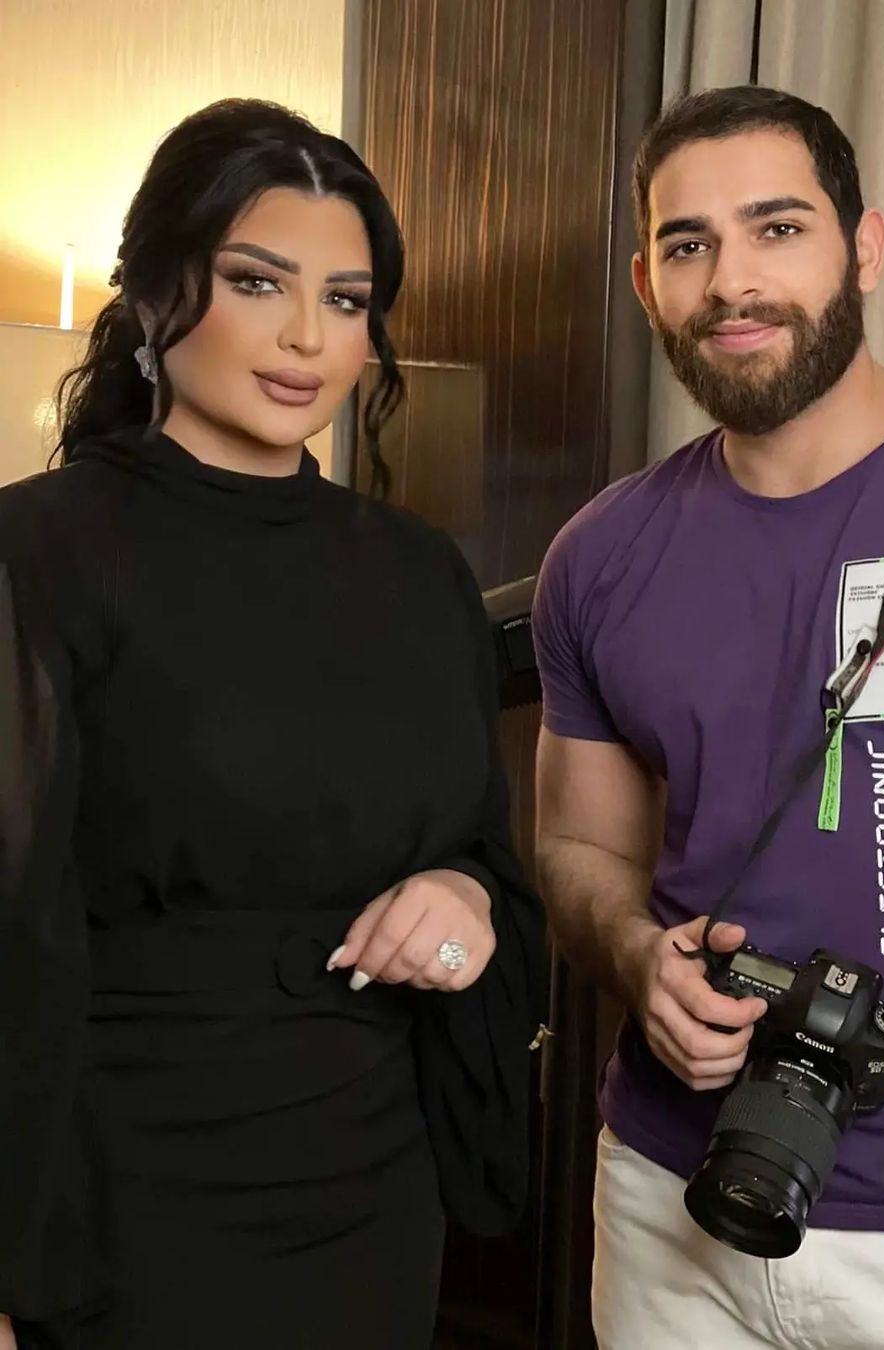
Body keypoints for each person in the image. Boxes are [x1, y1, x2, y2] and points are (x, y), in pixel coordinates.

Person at [533, 84, 884, 1350]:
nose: (733, 280)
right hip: (669, 1195)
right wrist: (635, 957)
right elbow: (579, 847)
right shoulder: (599, 557)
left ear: (864, 248)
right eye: (689, 244)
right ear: (647, 284)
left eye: (778, 228)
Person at [0, 98, 543, 1350]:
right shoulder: (39, 552)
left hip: (376, 1191)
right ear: (155, 291)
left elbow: (486, 862)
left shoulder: (420, 574)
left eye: (346, 301)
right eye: (259, 282)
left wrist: (462, 900)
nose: (307, 337)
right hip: (115, 1199)